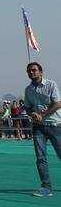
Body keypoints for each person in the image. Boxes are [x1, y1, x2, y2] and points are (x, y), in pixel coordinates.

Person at [24, 62, 61, 198]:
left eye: (34, 70)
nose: (31, 72)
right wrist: (32, 114)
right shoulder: (28, 90)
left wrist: (43, 115)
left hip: (55, 125)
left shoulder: (51, 85)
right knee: (40, 157)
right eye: (29, 71)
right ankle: (46, 187)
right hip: (38, 127)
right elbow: (27, 107)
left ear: (41, 72)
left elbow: (58, 103)